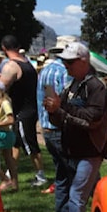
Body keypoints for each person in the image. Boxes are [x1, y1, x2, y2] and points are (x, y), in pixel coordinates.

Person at [43, 41, 107, 212]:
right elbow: (61, 118)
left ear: (84, 61)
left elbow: (92, 119)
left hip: (90, 150)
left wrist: (60, 110)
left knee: (77, 194)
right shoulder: (71, 86)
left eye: (70, 62)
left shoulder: (96, 87)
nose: (67, 66)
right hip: (73, 150)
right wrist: (53, 110)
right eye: (65, 62)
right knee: (92, 193)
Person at [0, 35, 47, 187]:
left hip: (22, 112)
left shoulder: (11, 66)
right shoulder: (27, 62)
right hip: (29, 109)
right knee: (16, 143)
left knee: (30, 144)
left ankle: (41, 176)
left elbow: (1, 87)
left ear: (3, 48)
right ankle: (10, 172)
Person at [37, 48, 70, 194]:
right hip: (60, 128)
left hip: (47, 127)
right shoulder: (64, 71)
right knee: (75, 173)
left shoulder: (45, 70)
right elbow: (67, 100)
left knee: (61, 175)